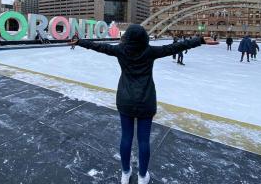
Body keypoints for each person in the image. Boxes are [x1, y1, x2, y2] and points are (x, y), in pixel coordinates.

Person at [71, 24, 213, 184]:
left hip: (125, 100)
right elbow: (174, 47)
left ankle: (125, 173)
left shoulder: (120, 50)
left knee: (126, 138)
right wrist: (199, 40)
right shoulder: (150, 51)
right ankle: (142, 177)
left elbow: (99, 47)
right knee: (143, 141)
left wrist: (79, 42)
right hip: (146, 101)